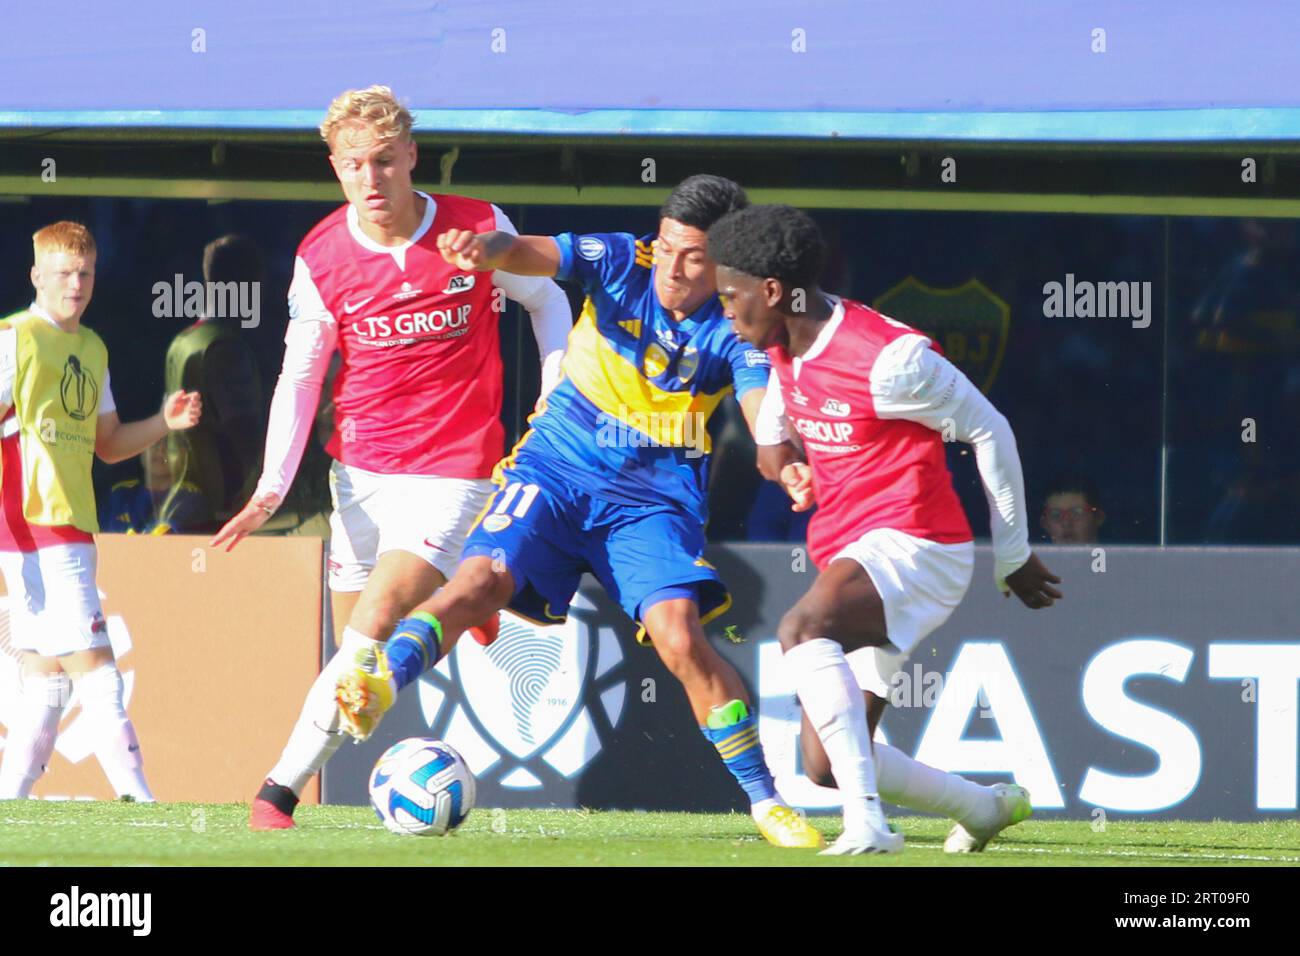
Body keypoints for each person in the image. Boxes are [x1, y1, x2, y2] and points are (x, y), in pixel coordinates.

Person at [337, 176, 825, 849]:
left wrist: (785, 458)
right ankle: (382, 684)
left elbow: (760, 409)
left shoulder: (736, 327)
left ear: (727, 266)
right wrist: (489, 250)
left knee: (680, 637)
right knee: (476, 584)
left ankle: (767, 802)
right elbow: (532, 251)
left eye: (695, 258)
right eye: (670, 245)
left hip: (653, 499)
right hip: (558, 467)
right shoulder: (625, 259)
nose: (674, 269)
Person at [210, 86, 573, 830]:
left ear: (412, 157)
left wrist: (555, 395)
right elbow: (303, 374)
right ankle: (467, 601)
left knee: (371, 631)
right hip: (360, 475)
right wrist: (272, 486)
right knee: (357, 671)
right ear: (335, 168)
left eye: (384, 161)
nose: (371, 180)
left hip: (454, 469)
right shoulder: (322, 255)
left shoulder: (475, 227)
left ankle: (276, 792)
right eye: (353, 165)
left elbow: (547, 300)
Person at [708, 204, 1063, 854]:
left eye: (730, 296)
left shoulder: (888, 359)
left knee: (799, 629)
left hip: (918, 545)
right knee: (826, 761)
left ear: (773, 291)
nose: (724, 309)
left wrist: (1012, 554)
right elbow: (774, 431)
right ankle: (982, 807)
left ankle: (869, 825)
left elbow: (991, 427)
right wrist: (785, 461)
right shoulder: (785, 341)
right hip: (855, 551)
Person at [0, 221, 202, 801]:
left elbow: (108, 444)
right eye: (63, 272)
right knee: (98, 664)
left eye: (85, 272)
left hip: (71, 518)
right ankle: (140, 800)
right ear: (37, 275)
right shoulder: (14, 337)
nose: (77, 283)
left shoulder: (93, 347)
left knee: (47, 676)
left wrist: (166, 421)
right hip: (35, 520)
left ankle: (11, 806)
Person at [162, 234, 267, 532]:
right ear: (249, 284)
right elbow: (243, 431)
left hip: (182, 495)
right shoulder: (226, 348)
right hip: (222, 507)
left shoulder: (183, 341)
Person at [99, 437, 206, 533]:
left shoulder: (190, 498)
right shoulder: (119, 493)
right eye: (154, 440)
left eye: (172, 443)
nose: (161, 449)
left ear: (185, 454)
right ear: (140, 450)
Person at [1041, 473, 1105, 544]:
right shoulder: (1033, 555)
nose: (1066, 523)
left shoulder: (1117, 554)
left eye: (1077, 513)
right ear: (1045, 524)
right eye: (1056, 515)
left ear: (1098, 517)